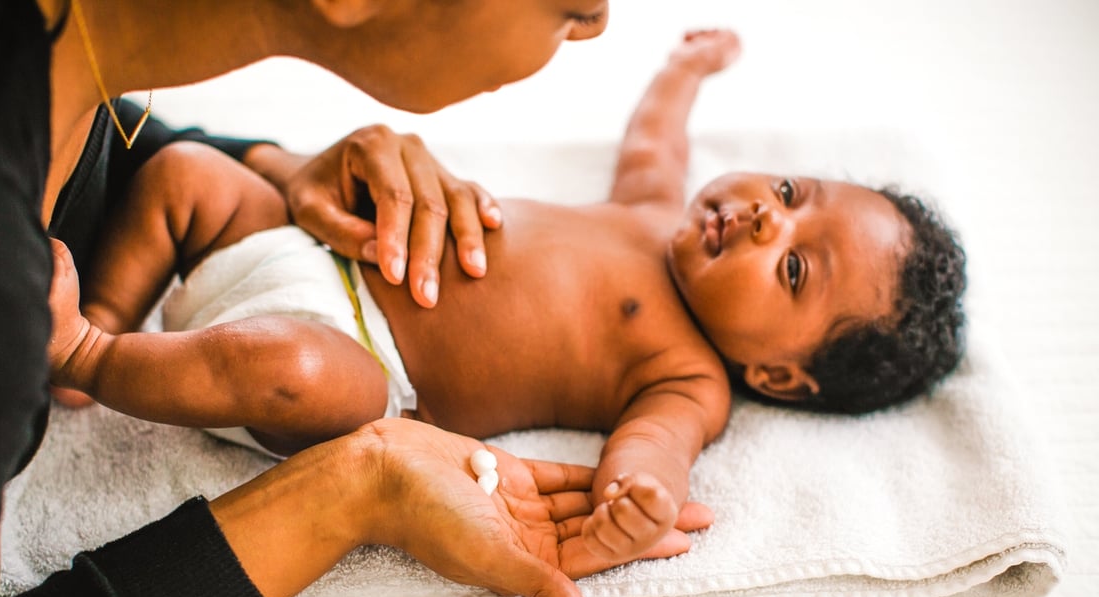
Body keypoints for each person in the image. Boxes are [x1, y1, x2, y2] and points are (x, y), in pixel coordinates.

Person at [0, 2, 719, 597]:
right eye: (571, 3)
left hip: (357, 348)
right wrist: (353, 487)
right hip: (302, 284)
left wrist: (280, 166)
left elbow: (115, 138)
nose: (597, 18)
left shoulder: (31, 51)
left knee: (291, 344)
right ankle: (93, 352)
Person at [47, 30, 969, 563]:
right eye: (792, 194)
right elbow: (656, 141)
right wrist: (682, 74)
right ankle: (109, 315)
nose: (768, 218)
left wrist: (637, 505)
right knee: (188, 172)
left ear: (781, 371)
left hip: (360, 362)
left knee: (295, 370)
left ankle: (89, 358)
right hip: (302, 246)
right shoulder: (650, 210)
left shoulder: (689, 377)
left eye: (796, 269)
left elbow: (650, 455)